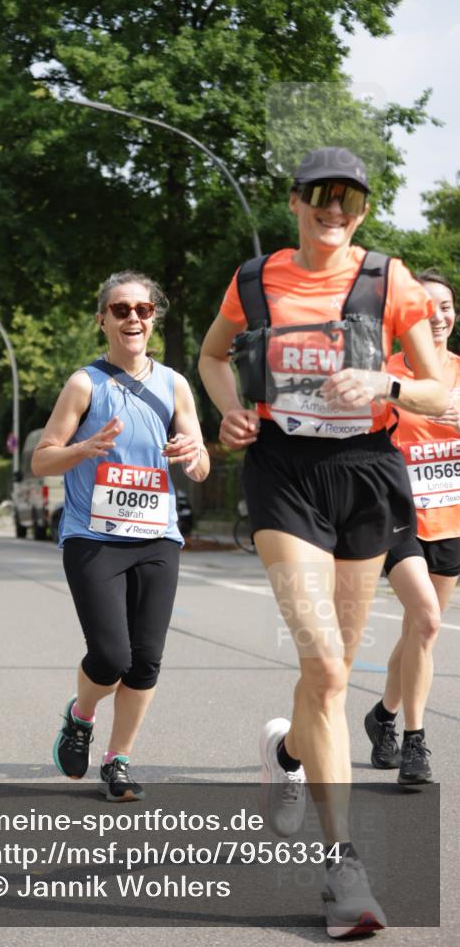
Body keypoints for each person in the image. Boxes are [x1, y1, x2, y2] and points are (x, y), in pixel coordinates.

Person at [198, 147, 446, 938]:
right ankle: (344, 873)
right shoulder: (252, 280)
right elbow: (210, 356)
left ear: (362, 209)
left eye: (347, 198)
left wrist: (389, 384)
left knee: (326, 678)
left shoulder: (389, 279)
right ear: (295, 201)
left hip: (366, 475)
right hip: (284, 475)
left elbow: (444, 391)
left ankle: (289, 757)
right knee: (328, 668)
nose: (332, 209)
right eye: (318, 195)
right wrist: (231, 410)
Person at [33, 270, 209, 802]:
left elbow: (200, 467)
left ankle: (119, 760)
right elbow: (43, 458)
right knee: (111, 656)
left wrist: (192, 455)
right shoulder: (85, 383)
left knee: (146, 660)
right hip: (95, 538)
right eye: (121, 309)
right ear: (102, 320)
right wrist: (80, 451)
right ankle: (80, 715)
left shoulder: (175, 384)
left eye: (143, 309)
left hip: (158, 538)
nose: (133, 317)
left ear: (154, 318)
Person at [365, 269, 459, 784]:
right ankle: (415, 744)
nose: (436, 316)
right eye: (425, 307)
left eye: (444, 306)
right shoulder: (389, 374)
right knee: (424, 618)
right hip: (399, 517)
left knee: (419, 628)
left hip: (452, 519)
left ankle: (382, 716)